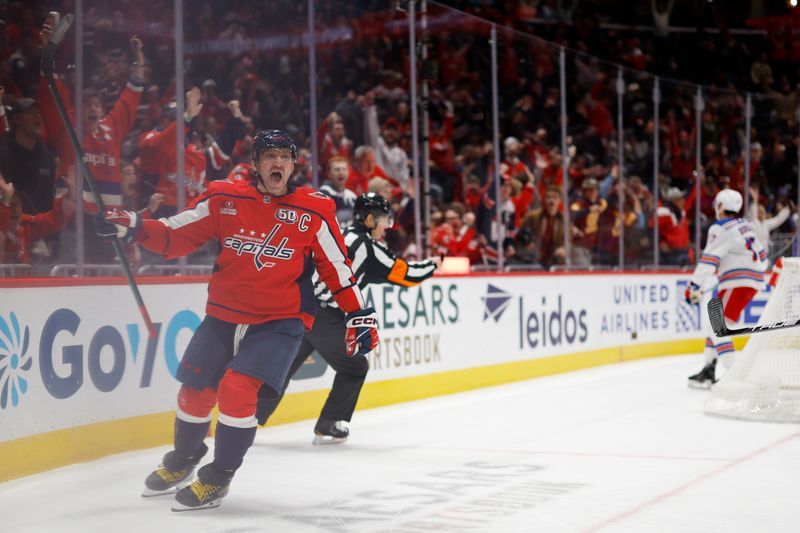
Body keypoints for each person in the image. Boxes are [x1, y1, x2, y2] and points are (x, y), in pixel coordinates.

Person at [94, 130, 379, 511]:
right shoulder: (224, 197)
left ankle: (219, 476)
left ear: (294, 165)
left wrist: (359, 313)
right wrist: (133, 224)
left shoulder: (315, 209)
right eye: (269, 156)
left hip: (280, 320)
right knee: (193, 392)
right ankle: (184, 458)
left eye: (285, 157)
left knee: (237, 390)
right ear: (256, 164)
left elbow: (337, 269)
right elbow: (174, 234)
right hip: (224, 315)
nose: (278, 163)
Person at [254, 192, 441, 443]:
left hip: (300, 307)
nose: (387, 226)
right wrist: (432, 264)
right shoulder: (368, 247)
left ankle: (247, 418)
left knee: (284, 367)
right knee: (355, 367)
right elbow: (407, 275)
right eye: (384, 219)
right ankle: (328, 422)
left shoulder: (339, 232)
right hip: (324, 315)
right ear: (370, 219)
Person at [685, 189, 767, 388]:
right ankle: (709, 368)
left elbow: (709, 259)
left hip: (736, 282)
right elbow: (763, 256)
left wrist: (694, 284)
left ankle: (736, 377)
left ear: (720, 206)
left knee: (717, 328)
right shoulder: (746, 226)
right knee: (713, 326)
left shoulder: (720, 227)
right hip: (749, 280)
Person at [319, 156, 357, 227]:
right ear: (329, 173)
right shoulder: (323, 193)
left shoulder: (351, 195)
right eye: (337, 170)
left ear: (348, 172)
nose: (341, 173)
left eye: (344, 169)